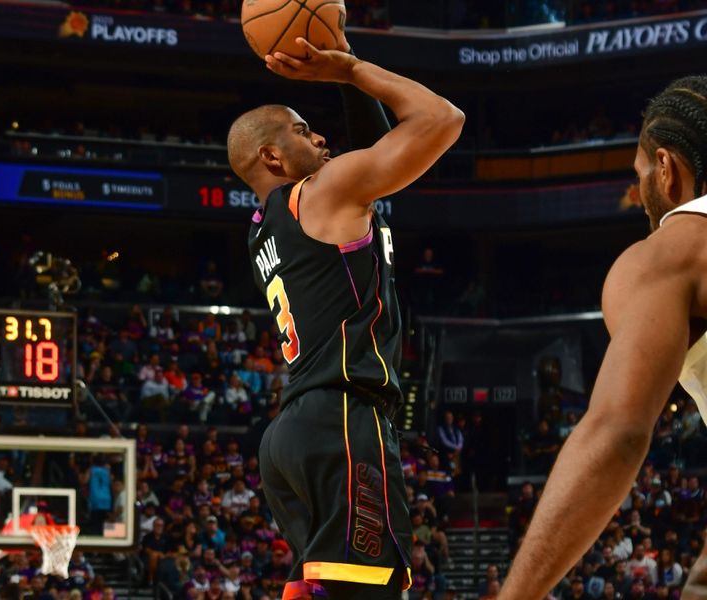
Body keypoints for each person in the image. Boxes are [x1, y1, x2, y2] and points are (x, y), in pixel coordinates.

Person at [228, 35, 463, 599]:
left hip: (292, 433)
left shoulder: (270, 223)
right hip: (341, 417)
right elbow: (441, 119)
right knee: (373, 592)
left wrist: (337, 74)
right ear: (273, 157)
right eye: (303, 130)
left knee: (320, 589)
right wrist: (351, 70)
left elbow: (377, 151)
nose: (321, 136)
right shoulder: (322, 192)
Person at [499, 75, 707, 600]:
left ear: (666, 168)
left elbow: (618, 433)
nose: (640, 198)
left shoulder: (669, 254)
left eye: (639, 176)